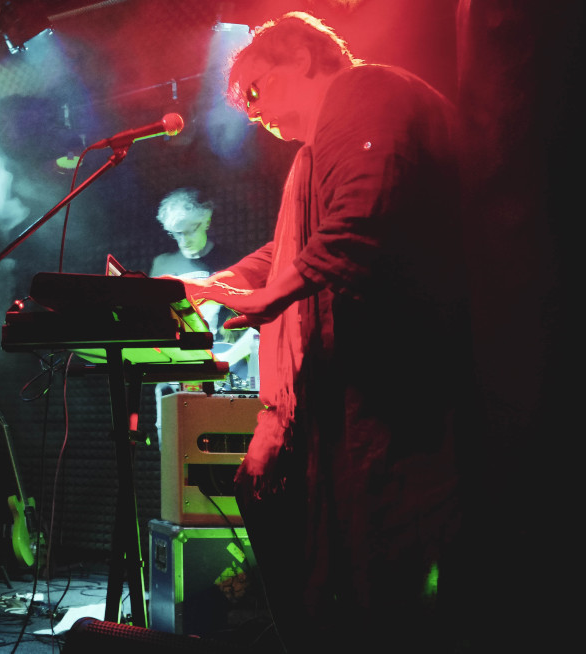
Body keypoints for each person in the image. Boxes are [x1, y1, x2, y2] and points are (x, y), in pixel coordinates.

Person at [182, 13, 472, 653]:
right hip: (363, 403)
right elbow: (298, 247)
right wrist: (220, 281)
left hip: (394, 400)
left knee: (384, 591)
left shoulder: (366, 90)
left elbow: (361, 218)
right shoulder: (319, 148)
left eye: (255, 91)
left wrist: (267, 298)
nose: (253, 113)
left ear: (303, 57)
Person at [148, 188, 257, 390]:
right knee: (164, 391)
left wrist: (229, 357)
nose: (184, 240)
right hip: (181, 366)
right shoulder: (162, 265)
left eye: (191, 230)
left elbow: (261, 321)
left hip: (232, 365)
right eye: (177, 234)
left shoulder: (235, 261)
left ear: (206, 220)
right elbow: (155, 325)